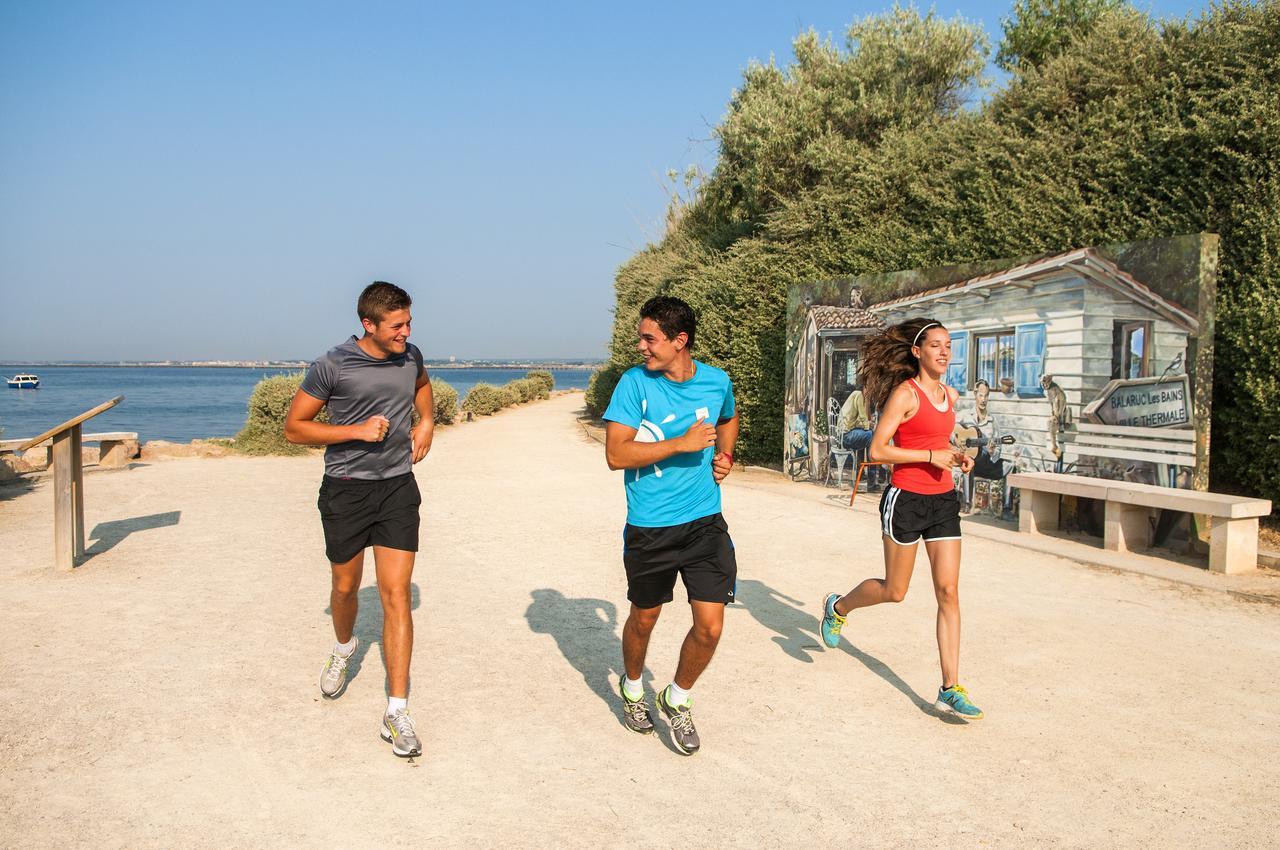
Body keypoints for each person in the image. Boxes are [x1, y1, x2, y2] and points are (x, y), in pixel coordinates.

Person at [284, 281, 435, 757]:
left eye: (409, 322)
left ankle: (397, 710)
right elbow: (294, 428)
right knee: (346, 588)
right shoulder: (332, 365)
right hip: (346, 491)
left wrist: (425, 421)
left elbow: (422, 385)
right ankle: (345, 647)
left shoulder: (410, 356)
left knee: (396, 596)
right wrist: (356, 431)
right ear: (368, 324)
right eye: (397, 325)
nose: (406, 332)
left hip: (396, 488)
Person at [818, 318, 985, 720]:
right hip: (906, 500)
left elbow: (937, 440)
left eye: (948, 346)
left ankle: (950, 687)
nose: (944, 352)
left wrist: (955, 455)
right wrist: (930, 457)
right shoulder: (904, 395)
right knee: (896, 591)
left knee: (948, 592)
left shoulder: (950, 394)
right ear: (917, 352)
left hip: (943, 500)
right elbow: (878, 449)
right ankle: (839, 607)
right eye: (936, 346)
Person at [602, 295, 738, 755]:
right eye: (641, 337)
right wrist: (681, 444)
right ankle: (634, 688)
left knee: (711, 627)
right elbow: (616, 454)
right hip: (650, 528)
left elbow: (729, 415)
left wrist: (726, 455)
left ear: (680, 341)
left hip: (705, 522)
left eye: (649, 338)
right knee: (645, 618)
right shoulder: (633, 384)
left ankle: (677, 698)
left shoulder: (716, 382)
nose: (640, 346)